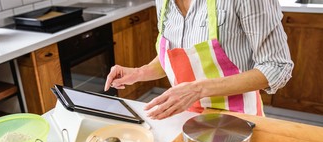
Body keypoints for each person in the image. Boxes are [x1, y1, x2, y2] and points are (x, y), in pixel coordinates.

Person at [104, 0, 294, 120]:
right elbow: (173, 55)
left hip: (238, 120)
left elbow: (277, 66)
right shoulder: (163, 2)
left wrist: (198, 90)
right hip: (184, 118)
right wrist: (139, 72)